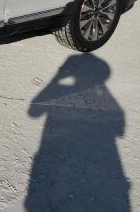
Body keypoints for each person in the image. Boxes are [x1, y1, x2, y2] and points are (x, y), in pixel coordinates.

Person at [25, 54, 130, 211]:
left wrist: (57, 78)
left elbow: (33, 112)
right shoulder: (105, 96)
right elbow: (120, 129)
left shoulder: (63, 88)